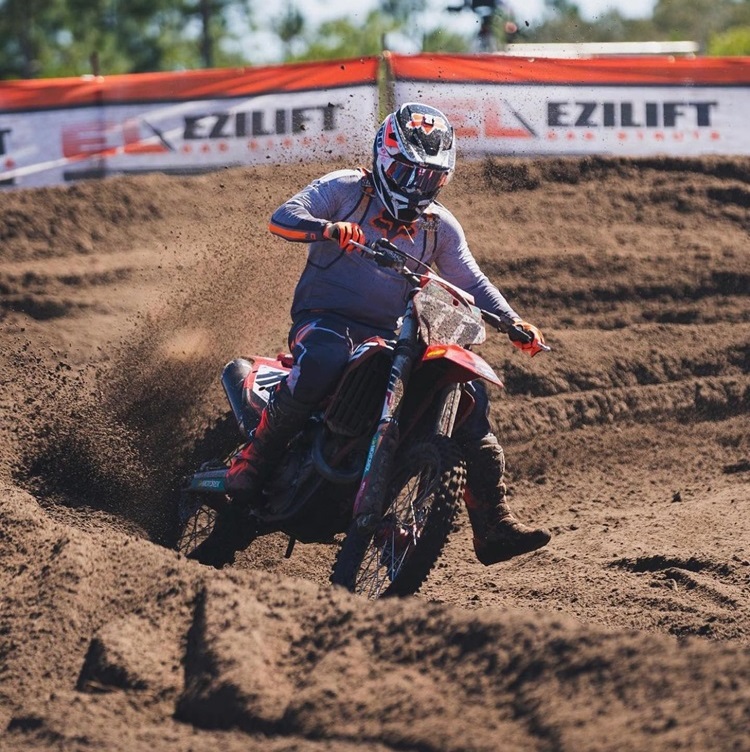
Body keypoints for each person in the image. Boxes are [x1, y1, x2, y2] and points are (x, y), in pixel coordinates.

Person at [193, 102, 551, 568]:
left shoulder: (438, 225)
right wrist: (326, 228)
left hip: (394, 334)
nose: (415, 185)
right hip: (324, 319)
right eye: (406, 172)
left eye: (428, 178)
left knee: (468, 397)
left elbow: (470, 279)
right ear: (383, 158)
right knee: (322, 356)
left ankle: (492, 522)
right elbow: (283, 216)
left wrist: (513, 320)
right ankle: (253, 461)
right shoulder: (347, 189)